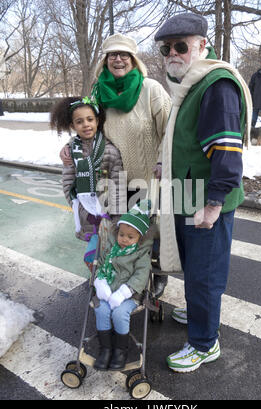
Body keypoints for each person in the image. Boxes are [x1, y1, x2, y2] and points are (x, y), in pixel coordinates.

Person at [154, 13, 253, 372]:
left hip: (205, 199)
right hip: (187, 190)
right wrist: (166, 166)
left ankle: (204, 343)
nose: (172, 54)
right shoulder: (191, 86)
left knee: (205, 274)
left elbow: (226, 151)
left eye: (182, 46)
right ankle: (200, 315)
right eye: (167, 48)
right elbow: (188, 141)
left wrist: (213, 205)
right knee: (194, 267)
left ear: (202, 47)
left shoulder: (215, 84)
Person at [60, 33, 171, 297]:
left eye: (124, 54)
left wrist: (161, 162)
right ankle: (116, 279)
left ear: (133, 60)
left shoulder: (151, 90)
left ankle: (155, 275)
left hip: (149, 180)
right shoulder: (99, 94)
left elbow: (170, 131)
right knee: (118, 236)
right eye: (112, 55)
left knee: (150, 234)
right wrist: (70, 147)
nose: (118, 59)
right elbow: (88, 129)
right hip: (114, 182)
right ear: (105, 61)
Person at [50, 96, 125, 242]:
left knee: (109, 255)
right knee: (93, 258)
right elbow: (68, 184)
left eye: (90, 119)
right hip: (86, 218)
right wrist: (82, 211)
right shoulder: (71, 152)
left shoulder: (110, 151)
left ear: (97, 121)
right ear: (73, 126)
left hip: (109, 217)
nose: (86, 124)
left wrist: (115, 217)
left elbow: (118, 186)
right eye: (79, 121)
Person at [93, 200, 154, 371]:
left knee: (120, 314)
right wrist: (100, 282)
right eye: (121, 235)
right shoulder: (111, 247)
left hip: (130, 295)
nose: (124, 240)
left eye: (130, 237)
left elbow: (140, 277)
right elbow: (101, 265)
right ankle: (105, 349)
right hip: (108, 290)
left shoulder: (141, 254)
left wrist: (122, 293)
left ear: (140, 238)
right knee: (101, 310)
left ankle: (121, 351)